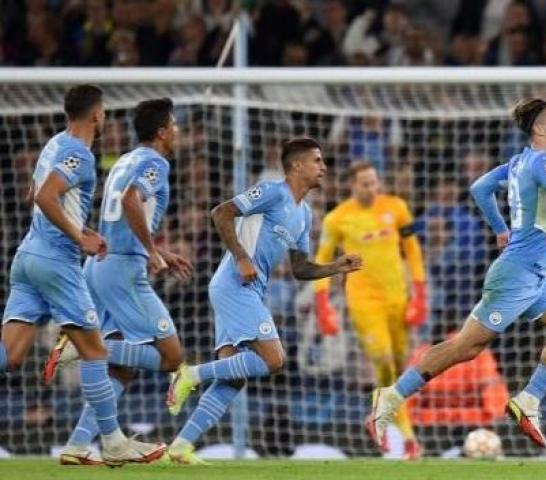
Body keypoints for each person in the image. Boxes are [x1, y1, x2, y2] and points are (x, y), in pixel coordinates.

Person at [370, 98, 546, 449]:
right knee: (465, 347)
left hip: (536, 276)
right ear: (539, 128)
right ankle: (389, 398)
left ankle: (528, 401)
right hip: (514, 275)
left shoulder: (518, 162)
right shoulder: (542, 162)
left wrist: (500, 228)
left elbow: (479, 188)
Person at [165, 137, 362, 464]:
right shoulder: (272, 192)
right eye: (317, 160)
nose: (323, 167)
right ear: (297, 165)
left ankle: (181, 445)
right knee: (274, 360)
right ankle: (190, 374)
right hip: (233, 284)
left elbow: (300, 269)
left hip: (249, 290)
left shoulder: (305, 214)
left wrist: (336, 267)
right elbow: (221, 212)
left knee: (234, 377)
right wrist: (242, 257)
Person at [0, 85, 165, 466]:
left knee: (10, 355)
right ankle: (112, 442)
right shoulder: (80, 154)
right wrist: (79, 235)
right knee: (95, 350)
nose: (105, 116)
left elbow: (32, 193)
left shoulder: (54, 144)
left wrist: (68, 223)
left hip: (27, 256)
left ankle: (99, 442)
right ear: (96, 115)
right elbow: (44, 196)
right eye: (104, 111)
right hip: (55, 261)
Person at [47, 98, 192, 465]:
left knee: (122, 370)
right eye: (174, 125)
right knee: (172, 358)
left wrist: (157, 249)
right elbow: (131, 201)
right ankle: (80, 345)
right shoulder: (155, 162)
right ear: (162, 132)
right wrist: (151, 252)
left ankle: (78, 445)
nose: (178, 131)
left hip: (100, 265)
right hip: (124, 270)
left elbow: (125, 208)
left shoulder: (126, 159)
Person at [313, 161, 428, 459]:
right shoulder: (338, 219)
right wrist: (322, 305)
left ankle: (382, 419)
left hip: (397, 298)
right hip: (364, 301)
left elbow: (413, 250)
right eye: (365, 183)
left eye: (374, 182)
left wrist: (420, 295)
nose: (371, 188)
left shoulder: (398, 208)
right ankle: (407, 438)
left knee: (400, 371)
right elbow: (322, 261)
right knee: (385, 363)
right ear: (353, 185)